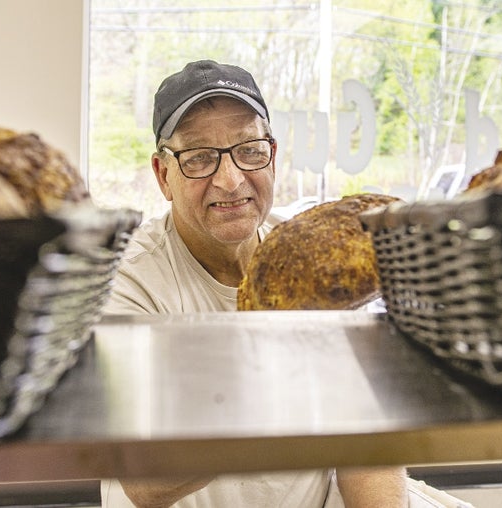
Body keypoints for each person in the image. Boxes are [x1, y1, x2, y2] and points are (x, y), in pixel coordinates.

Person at [100, 60, 473, 508]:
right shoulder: (129, 281)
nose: (231, 179)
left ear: (272, 157)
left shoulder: (310, 258)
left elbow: (364, 442)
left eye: (249, 149)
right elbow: (143, 481)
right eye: (200, 157)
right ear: (164, 175)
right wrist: (278, 350)